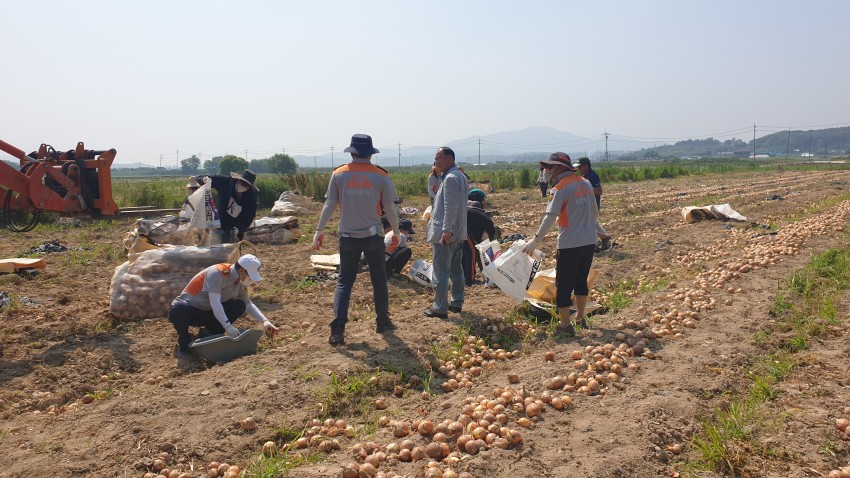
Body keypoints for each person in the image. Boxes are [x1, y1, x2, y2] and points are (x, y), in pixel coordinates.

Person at [313, 134, 401, 345]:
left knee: (345, 282)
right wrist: (396, 231)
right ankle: (382, 321)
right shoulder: (380, 175)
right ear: (370, 153)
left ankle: (338, 329)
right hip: (373, 236)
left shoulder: (339, 174)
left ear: (352, 152)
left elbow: (330, 204)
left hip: (348, 236)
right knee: (379, 280)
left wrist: (319, 229)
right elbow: (390, 207)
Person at [523, 152, 598, 335]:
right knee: (581, 280)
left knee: (563, 284)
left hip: (570, 243)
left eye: (550, 167)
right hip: (589, 241)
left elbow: (550, 216)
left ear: (560, 167)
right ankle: (580, 319)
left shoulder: (560, 187)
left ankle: (565, 325)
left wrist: (535, 240)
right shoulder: (585, 183)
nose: (547, 170)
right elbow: (595, 211)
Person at [168, 253, 279, 358]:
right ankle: (184, 343)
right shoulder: (217, 273)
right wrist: (227, 326)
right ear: (241, 271)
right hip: (192, 310)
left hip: (210, 312)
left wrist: (265, 321)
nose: (251, 281)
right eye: (250, 276)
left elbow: (248, 305)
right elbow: (215, 302)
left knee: (239, 305)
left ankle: (207, 334)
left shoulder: (240, 282)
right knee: (178, 310)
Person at [424, 146, 468, 319]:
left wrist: (446, 230)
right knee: (456, 269)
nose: (437, 162)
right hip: (458, 233)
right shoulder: (460, 176)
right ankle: (456, 302)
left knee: (441, 270)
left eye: (439, 158)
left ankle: (440, 307)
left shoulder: (450, 178)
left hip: (447, 234)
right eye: (436, 158)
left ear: (450, 159)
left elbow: (451, 207)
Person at [196, 169, 258, 242]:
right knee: (215, 248)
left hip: (234, 228)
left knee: (232, 251)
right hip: (219, 223)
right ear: (238, 179)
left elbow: (248, 216)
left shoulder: (251, 197)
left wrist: (238, 228)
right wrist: (203, 179)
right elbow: (199, 177)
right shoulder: (225, 182)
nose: (243, 185)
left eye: (246, 185)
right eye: (242, 182)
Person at [575, 157, 612, 251]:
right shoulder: (584, 176)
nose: (578, 169)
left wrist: (587, 189)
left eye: (580, 167)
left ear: (586, 166)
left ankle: (598, 241)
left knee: (588, 225)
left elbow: (599, 191)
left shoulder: (593, 176)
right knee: (593, 223)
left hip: (593, 204)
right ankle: (605, 240)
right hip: (586, 204)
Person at [462, 199, 496, 285]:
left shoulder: (481, 218)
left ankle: (463, 277)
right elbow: (484, 242)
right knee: (471, 251)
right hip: (463, 225)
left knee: (464, 252)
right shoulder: (490, 227)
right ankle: (470, 280)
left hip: (458, 222)